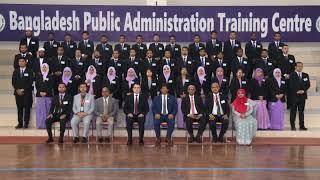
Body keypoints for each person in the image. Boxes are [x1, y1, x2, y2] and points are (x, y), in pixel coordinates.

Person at [12, 58, 34, 129]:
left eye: (22, 61)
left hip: (27, 93)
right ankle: (20, 123)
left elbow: (30, 82)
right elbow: (13, 82)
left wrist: (23, 90)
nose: (21, 63)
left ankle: (26, 124)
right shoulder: (15, 71)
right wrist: (17, 89)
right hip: (17, 93)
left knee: (27, 108)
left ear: (25, 62)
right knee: (19, 109)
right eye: (20, 61)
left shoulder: (30, 71)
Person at [289, 62, 310, 131]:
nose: (300, 67)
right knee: (293, 111)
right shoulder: (291, 75)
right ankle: (293, 126)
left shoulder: (305, 75)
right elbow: (290, 85)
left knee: (301, 111)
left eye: (301, 66)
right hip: (294, 96)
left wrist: (303, 91)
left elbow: (308, 84)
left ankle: (302, 126)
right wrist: (297, 91)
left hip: (302, 96)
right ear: (295, 67)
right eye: (298, 66)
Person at [35, 63, 54, 129]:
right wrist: (40, 92)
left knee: (47, 110)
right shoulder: (38, 76)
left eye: (45, 67)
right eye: (43, 67)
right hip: (39, 96)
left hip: (48, 95)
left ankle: (47, 125)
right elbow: (36, 85)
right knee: (40, 111)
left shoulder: (50, 76)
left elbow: (51, 85)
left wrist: (46, 92)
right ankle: (40, 125)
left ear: (48, 68)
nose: (44, 68)